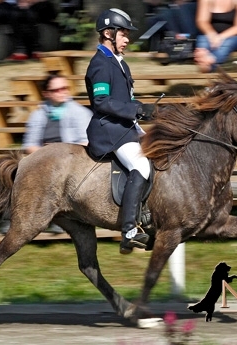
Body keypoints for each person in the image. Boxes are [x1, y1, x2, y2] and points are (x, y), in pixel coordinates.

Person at [84, 8, 155, 254]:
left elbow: (125, 100)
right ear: (107, 33)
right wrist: (136, 110)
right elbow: (102, 102)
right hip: (110, 131)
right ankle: (129, 231)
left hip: (125, 127)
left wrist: (143, 110)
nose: (127, 39)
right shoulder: (100, 64)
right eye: (123, 34)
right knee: (142, 166)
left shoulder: (119, 63)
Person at [0, 73, 92, 235]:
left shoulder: (80, 113)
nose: (62, 92)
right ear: (46, 93)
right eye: (57, 89)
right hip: (44, 159)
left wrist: (57, 151)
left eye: (65, 88)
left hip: (73, 160)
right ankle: (10, 218)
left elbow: (86, 142)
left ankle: (62, 218)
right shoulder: (38, 114)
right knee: (13, 171)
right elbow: (29, 145)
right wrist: (47, 155)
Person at [193, 0, 237, 72]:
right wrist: (211, 34)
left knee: (226, 44)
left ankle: (209, 63)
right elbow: (202, 21)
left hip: (235, 36)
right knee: (203, 44)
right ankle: (207, 62)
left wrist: (220, 37)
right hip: (209, 33)